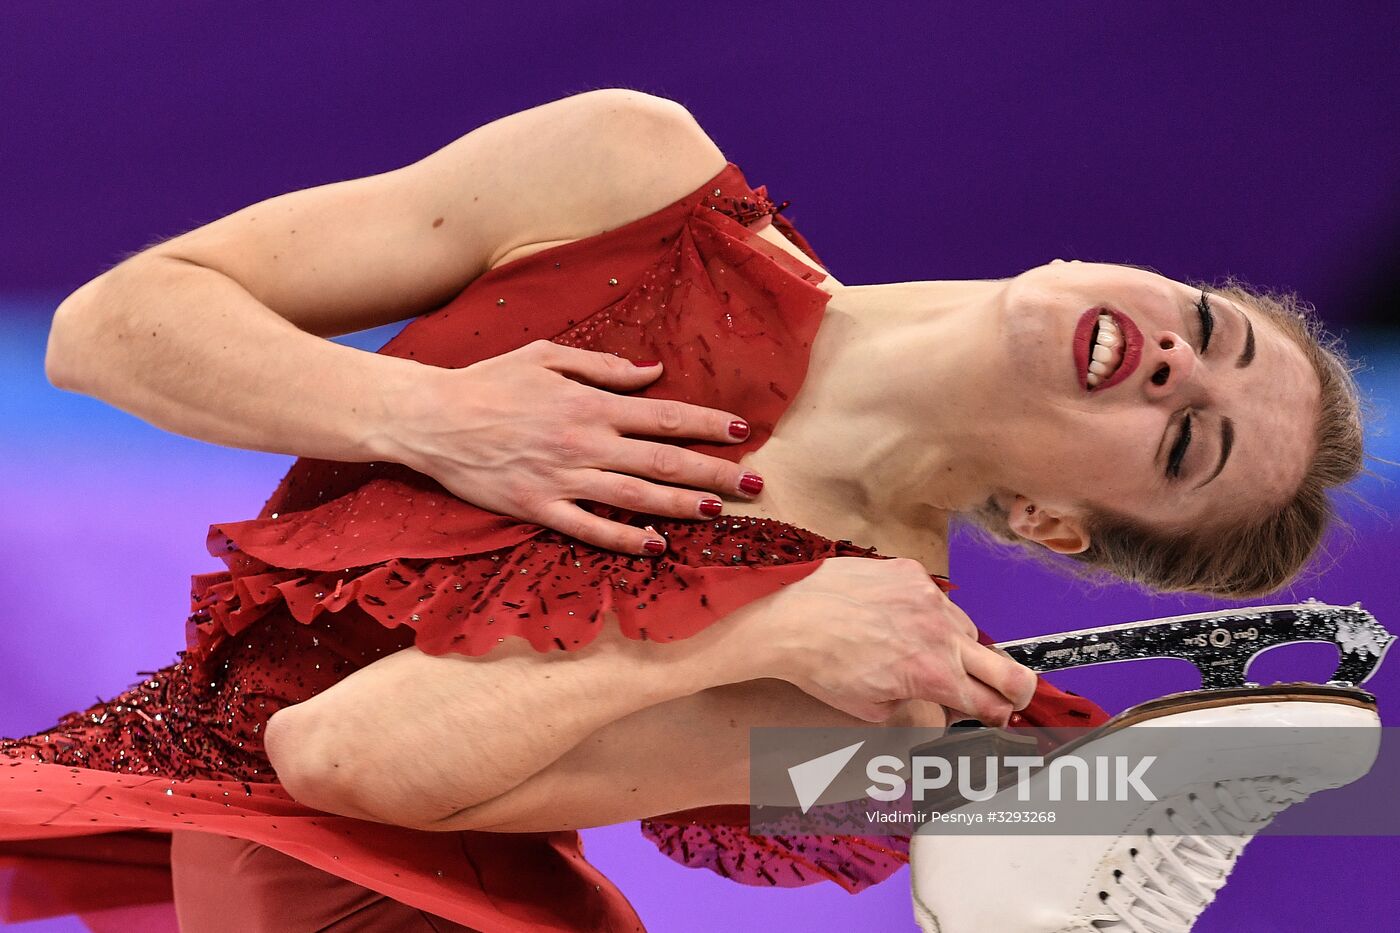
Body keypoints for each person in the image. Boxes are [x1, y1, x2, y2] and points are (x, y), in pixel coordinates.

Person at [0, 87, 1368, 932]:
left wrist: (758, 627)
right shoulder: (624, 175)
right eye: (1208, 327)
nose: (1178, 363)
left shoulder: (873, 658)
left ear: (1052, 521)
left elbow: (341, 754)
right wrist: (429, 416)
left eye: (1184, 444)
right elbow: (106, 330)